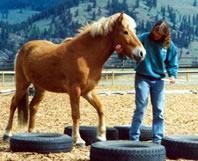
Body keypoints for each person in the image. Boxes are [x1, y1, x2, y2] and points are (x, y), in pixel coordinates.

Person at [115, 20, 179, 144]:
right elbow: (130, 50)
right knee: (140, 108)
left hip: (158, 81)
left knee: (159, 110)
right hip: (142, 78)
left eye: (160, 34)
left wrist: (172, 75)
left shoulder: (168, 45)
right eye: (155, 32)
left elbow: (172, 62)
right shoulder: (143, 38)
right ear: (153, 29)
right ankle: (134, 138)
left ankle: (158, 140)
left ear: (165, 34)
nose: (156, 35)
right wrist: (120, 52)